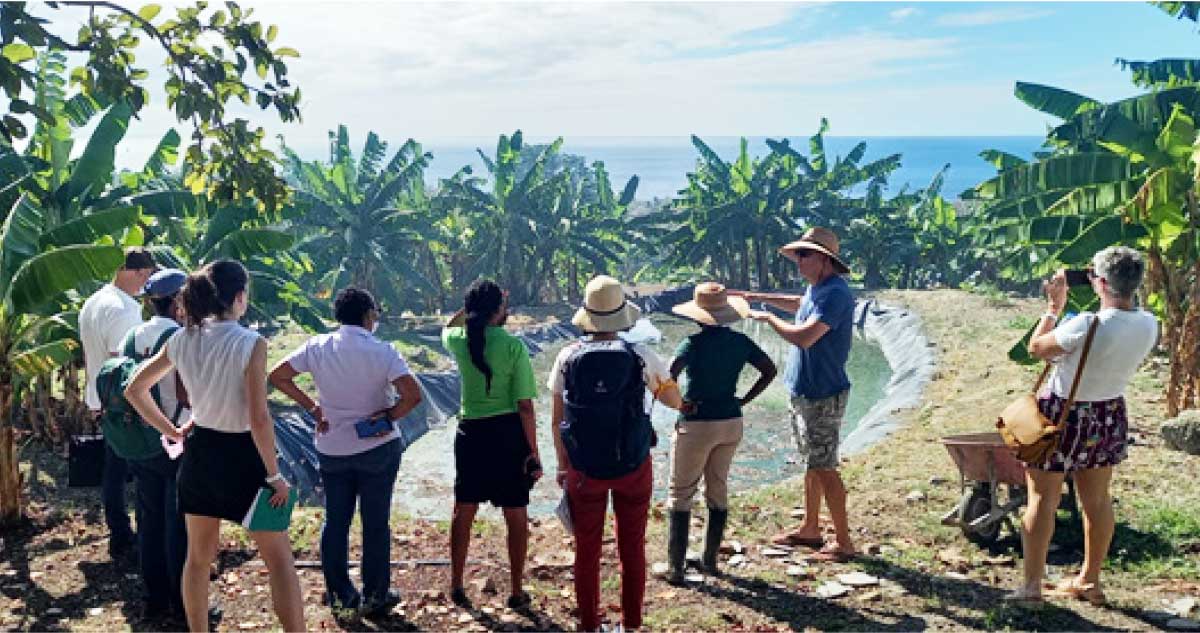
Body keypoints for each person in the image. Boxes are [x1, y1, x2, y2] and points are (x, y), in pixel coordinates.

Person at [124, 259, 304, 632]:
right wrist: (275, 475)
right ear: (239, 297)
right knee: (280, 561)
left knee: (198, 559)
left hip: (200, 455)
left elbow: (134, 389)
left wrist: (173, 431)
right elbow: (258, 418)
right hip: (246, 460)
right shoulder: (251, 342)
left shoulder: (180, 338)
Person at [1008, 247, 1158, 605]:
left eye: (1093, 275)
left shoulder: (1087, 323)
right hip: (1108, 413)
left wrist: (1053, 309)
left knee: (1042, 499)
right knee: (1097, 500)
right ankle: (1090, 580)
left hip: (1063, 413)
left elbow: (1036, 348)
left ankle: (1031, 587)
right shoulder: (1149, 323)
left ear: (1102, 283)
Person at [268, 287, 423, 617]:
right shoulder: (383, 352)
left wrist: (312, 408)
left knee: (336, 520)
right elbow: (412, 395)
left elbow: (278, 375)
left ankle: (340, 594)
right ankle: (376, 593)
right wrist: (388, 417)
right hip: (377, 448)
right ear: (369, 316)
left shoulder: (318, 347)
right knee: (375, 521)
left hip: (332, 448)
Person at [549, 275, 682, 632]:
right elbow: (673, 399)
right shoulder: (640, 355)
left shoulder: (567, 357)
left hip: (584, 470)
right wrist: (669, 387)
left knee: (587, 550)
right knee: (632, 547)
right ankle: (632, 625)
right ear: (622, 315)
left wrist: (564, 466)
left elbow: (557, 420)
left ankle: (589, 625)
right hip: (633, 465)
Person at [735, 226, 858, 562]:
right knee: (812, 462)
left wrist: (767, 317)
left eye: (804, 255)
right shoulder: (817, 289)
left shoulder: (836, 294)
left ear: (824, 259)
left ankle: (844, 542)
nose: (798, 262)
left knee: (825, 466)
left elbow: (805, 336)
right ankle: (810, 528)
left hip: (823, 393)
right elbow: (799, 304)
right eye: (798, 255)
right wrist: (756, 297)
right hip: (805, 390)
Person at [663, 282, 776, 583]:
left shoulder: (691, 344)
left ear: (697, 316)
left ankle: (675, 568)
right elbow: (770, 370)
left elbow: (668, 374)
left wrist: (680, 403)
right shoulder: (741, 342)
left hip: (698, 423)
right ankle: (709, 559)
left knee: (680, 492)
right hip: (730, 421)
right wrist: (744, 400)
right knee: (717, 486)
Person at [441, 280, 540, 609]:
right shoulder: (513, 347)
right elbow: (525, 407)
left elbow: (449, 325)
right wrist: (534, 454)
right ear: (499, 309)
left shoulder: (458, 339)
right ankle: (516, 589)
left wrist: (471, 310)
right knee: (515, 513)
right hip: (507, 435)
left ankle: (456, 583)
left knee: (464, 508)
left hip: (470, 434)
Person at [79, 247, 158, 560]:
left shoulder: (95, 300)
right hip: (120, 400)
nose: (146, 286)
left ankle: (119, 530)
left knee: (113, 469)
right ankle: (128, 534)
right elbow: (123, 362)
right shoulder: (124, 309)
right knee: (137, 467)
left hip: (99, 396)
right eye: (147, 278)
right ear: (139, 273)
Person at [123, 268, 190, 621]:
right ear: (179, 301)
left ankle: (153, 598)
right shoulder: (178, 337)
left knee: (148, 521)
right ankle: (183, 603)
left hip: (141, 440)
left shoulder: (133, 336)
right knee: (177, 524)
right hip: (174, 437)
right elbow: (184, 392)